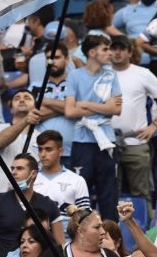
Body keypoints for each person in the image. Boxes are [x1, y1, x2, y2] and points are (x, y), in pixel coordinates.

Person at [65, 34, 121, 219]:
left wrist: (85, 104)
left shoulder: (111, 75)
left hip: (106, 140)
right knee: (81, 192)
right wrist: (103, 107)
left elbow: (116, 109)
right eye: (105, 49)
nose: (110, 53)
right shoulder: (75, 75)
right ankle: (80, 231)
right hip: (82, 141)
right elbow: (70, 111)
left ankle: (111, 233)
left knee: (109, 194)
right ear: (91, 52)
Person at [109, 35, 157, 206]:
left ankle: (146, 223)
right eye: (114, 48)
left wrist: (154, 126)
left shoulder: (142, 73)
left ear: (130, 52)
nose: (117, 52)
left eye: (122, 49)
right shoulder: (102, 74)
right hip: (108, 142)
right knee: (110, 194)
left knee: (142, 193)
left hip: (137, 140)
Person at [0, 154, 62, 255]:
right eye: (12, 168)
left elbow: (60, 245)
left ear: (33, 174)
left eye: (19, 168)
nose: (13, 172)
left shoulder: (48, 204)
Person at [0, 88, 39, 206]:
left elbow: (38, 174)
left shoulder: (40, 138)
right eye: (17, 98)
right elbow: (0, 142)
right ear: (11, 109)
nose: (22, 100)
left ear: (35, 108)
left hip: (27, 201)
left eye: (27, 98)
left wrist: (20, 187)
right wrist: (25, 120)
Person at [33, 131, 89, 223]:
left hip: (67, 231)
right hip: (36, 230)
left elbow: (85, 218)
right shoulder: (30, 179)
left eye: (48, 149)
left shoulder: (77, 180)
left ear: (60, 151)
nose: (43, 154)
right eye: (40, 149)